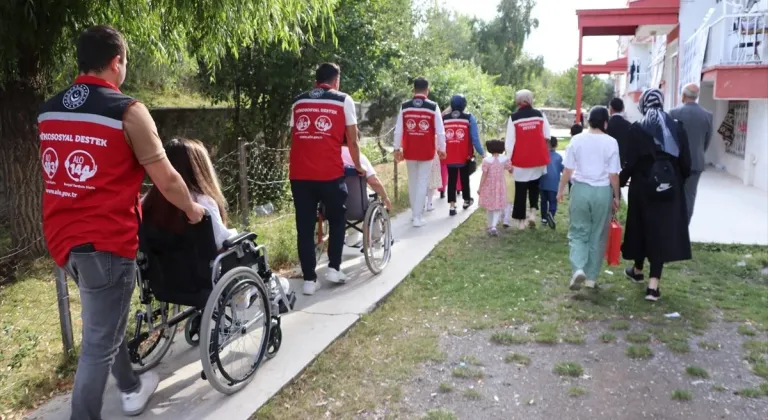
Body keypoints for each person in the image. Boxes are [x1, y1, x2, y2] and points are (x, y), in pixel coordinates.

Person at [37, 25, 206, 420]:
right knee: (98, 344)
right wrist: (192, 210)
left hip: (64, 240)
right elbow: (166, 179)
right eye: (125, 62)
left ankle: (130, 387)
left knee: (105, 324)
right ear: (117, 63)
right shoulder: (127, 111)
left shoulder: (49, 110)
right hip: (107, 244)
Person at [289, 62, 364, 296]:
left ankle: (310, 280)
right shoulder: (343, 100)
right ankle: (333, 267)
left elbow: (296, 137)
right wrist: (359, 166)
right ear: (336, 81)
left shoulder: (299, 101)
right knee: (338, 217)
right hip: (329, 174)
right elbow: (352, 140)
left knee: (304, 225)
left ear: (315, 82)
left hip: (300, 175)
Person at [621, 88, 692, 302]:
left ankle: (638, 269)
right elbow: (686, 164)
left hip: (642, 188)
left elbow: (629, 162)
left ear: (643, 104)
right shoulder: (677, 127)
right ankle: (653, 287)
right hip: (668, 189)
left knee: (641, 228)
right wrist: (676, 182)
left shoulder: (637, 129)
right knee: (660, 233)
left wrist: (620, 183)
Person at [557, 107, 622, 291]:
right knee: (598, 235)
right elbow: (613, 174)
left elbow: (568, 170)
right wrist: (616, 196)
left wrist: (560, 190)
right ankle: (591, 277)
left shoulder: (577, 140)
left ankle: (578, 268)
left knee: (578, 232)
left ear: (588, 121)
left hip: (580, 190)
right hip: (602, 191)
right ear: (605, 123)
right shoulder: (611, 142)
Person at [142, 138, 236, 249]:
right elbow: (222, 243)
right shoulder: (203, 203)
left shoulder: (146, 202)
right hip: (204, 265)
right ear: (200, 170)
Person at [393, 77, 446, 227]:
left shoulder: (405, 106)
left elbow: (398, 130)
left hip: (409, 150)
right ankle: (417, 216)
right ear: (427, 90)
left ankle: (414, 213)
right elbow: (440, 132)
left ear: (413, 90)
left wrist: (397, 148)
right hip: (426, 151)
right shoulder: (433, 106)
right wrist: (442, 149)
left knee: (413, 181)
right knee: (422, 181)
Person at [505, 89, 551, 230]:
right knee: (534, 187)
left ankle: (521, 222)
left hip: (521, 160)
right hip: (537, 158)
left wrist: (508, 160)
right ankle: (532, 213)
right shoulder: (540, 115)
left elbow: (510, 142)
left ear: (518, 101)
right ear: (530, 100)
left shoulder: (514, 117)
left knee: (520, 190)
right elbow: (547, 135)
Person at [669, 83, 713, 224]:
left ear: (683, 95)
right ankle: (684, 229)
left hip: (676, 163)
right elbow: (707, 141)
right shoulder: (707, 115)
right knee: (690, 197)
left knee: (675, 196)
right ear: (696, 97)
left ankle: (673, 228)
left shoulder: (673, 113)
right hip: (696, 163)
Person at [443, 94, 485, 216]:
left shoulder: (445, 118)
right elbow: (475, 138)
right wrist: (482, 153)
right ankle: (466, 200)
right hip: (464, 155)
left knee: (451, 180)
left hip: (449, 155)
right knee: (464, 179)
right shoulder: (469, 117)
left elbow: (440, 136)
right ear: (464, 105)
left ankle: (452, 206)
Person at [478, 140, 512, 236]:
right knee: (498, 206)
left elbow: (484, 175)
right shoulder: (505, 159)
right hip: (500, 185)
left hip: (488, 185)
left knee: (489, 206)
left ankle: (490, 225)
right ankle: (493, 226)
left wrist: (480, 187)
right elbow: (510, 168)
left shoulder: (486, 161)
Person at [540, 136, 564, 228]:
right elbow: (563, 170)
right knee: (553, 201)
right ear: (556, 145)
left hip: (542, 182)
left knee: (543, 201)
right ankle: (551, 215)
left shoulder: (543, 155)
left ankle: (544, 219)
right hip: (554, 184)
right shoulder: (559, 157)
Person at [607, 97, 631, 168]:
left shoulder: (606, 125)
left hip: (608, 161)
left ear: (610, 109)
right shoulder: (629, 125)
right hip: (624, 162)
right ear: (623, 109)